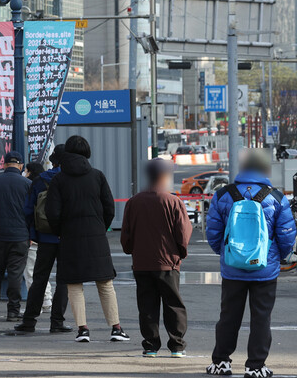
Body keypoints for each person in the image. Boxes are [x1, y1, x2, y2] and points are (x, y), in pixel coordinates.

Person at [205, 150, 296, 377]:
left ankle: (221, 362)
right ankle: (255, 366)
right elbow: (286, 234)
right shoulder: (276, 197)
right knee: (261, 318)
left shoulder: (223, 195)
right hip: (265, 269)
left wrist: (226, 253)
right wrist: (279, 256)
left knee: (228, 316)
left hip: (233, 269)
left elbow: (213, 232)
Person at [46, 135, 128, 343]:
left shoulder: (58, 180)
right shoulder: (97, 176)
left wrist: (60, 231)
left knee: (74, 285)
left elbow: (52, 212)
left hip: (70, 237)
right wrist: (101, 225)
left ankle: (83, 330)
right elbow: (109, 207)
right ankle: (116, 328)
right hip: (96, 237)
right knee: (105, 283)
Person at [121, 158, 192, 357]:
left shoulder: (134, 201)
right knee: (173, 304)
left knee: (147, 305)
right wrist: (179, 254)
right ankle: (176, 345)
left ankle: (150, 345)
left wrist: (131, 250)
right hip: (168, 262)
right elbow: (183, 234)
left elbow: (126, 234)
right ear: (163, 176)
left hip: (142, 262)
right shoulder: (173, 201)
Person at [15, 145, 71, 334]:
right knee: (64, 280)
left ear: (52, 161)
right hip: (66, 236)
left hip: (44, 236)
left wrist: (34, 232)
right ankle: (57, 322)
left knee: (39, 278)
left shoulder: (40, 180)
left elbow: (28, 210)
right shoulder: (71, 179)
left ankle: (29, 320)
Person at [0, 151, 32, 322]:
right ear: (21, 165)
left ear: (4, 164)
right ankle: (13, 311)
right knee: (15, 275)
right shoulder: (27, 184)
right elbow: (32, 213)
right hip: (20, 236)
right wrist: (31, 233)